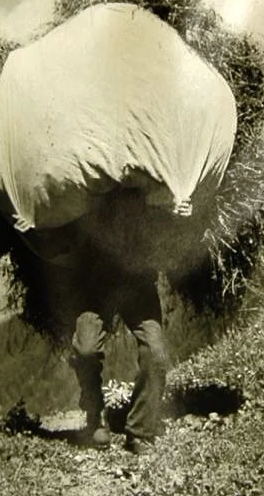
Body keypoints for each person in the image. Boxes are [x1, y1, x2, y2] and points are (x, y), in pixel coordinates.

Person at [32, 187, 170, 453]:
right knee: (85, 349)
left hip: (137, 282)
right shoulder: (84, 188)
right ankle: (96, 415)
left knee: (156, 352)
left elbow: (170, 221)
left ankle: (140, 431)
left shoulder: (145, 184)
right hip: (94, 285)